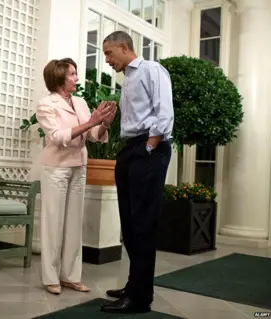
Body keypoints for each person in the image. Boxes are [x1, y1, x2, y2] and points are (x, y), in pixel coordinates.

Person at [99, 31, 173, 313]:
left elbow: (164, 112)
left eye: (109, 53)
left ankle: (140, 298)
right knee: (129, 223)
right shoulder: (128, 79)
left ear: (124, 46)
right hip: (131, 149)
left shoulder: (152, 70)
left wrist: (150, 146)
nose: (106, 59)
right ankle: (134, 284)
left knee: (143, 224)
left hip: (148, 148)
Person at [36, 58, 116, 295]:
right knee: (53, 224)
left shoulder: (79, 102)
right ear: (60, 77)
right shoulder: (45, 104)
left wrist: (102, 125)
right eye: (72, 74)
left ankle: (71, 276)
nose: (76, 78)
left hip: (79, 167)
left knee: (73, 224)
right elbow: (58, 136)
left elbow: (92, 135)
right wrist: (92, 120)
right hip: (56, 169)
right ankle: (50, 278)